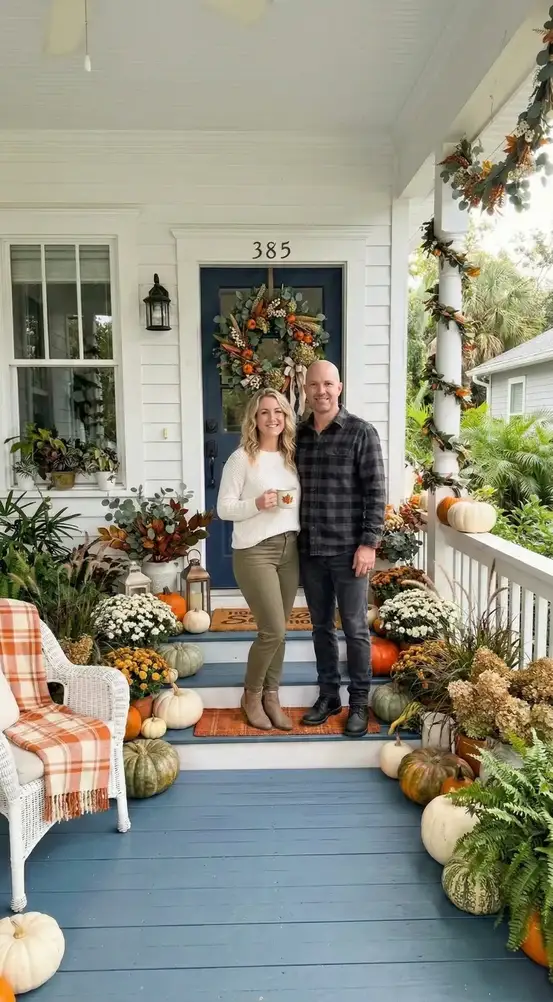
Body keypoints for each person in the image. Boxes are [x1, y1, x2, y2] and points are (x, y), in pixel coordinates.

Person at [295, 360, 386, 737]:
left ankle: (359, 702)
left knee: (354, 628)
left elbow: (376, 493)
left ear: (340, 387)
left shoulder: (361, 432)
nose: (321, 391)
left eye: (328, 384)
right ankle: (328, 695)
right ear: (305, 389)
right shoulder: (296, 435)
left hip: (349, 552)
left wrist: (368, 544)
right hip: (310, 549)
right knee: (320, 627)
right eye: (314, 385)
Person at [217, 389, 300, 731]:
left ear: (286, 417)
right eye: (265, 412)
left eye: (278, 412)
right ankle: (251, 695)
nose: (272, 418)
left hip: (289, 549)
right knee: (273, 630)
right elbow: (224, 508)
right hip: (255, 551)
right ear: (254, 418)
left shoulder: (292, 456)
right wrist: (257, 504)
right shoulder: (241, 459)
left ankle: (272, 696)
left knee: (281, 633)